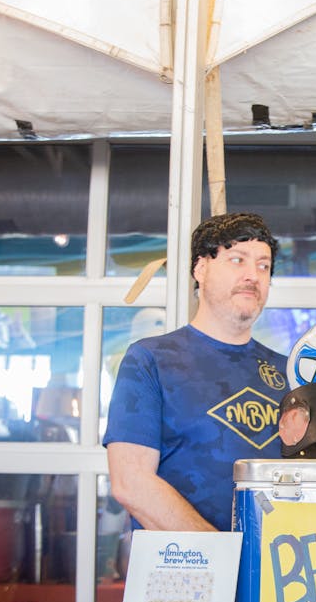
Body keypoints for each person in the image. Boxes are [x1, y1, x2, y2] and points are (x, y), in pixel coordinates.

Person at [104, 213, 289, 532]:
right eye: (236, 260)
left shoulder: (288, 372)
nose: (253, 276)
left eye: (263, 265)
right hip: (184, 570)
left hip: (276, 571)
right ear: (200, 268)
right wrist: (220, 554)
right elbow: (130, 482)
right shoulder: (151, 361)